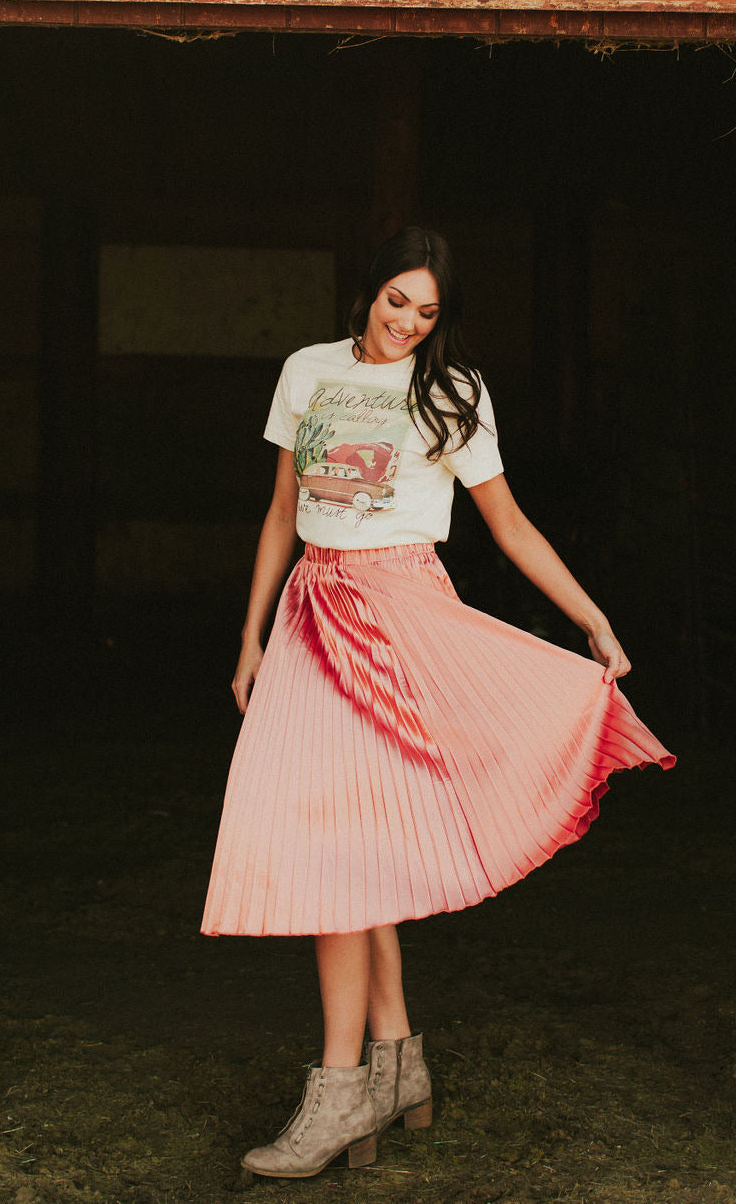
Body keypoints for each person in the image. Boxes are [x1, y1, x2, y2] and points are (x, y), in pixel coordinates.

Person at [201, 226, 674, 1181]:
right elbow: (283, 511)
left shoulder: (453, 392)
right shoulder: (308, 371)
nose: (408, 324)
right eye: (396, 302)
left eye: (427, 312)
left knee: (343, 850)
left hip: (400, 615)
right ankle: (397, 1066)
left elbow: (509, 524)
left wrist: (591, 620)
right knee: (346, 843)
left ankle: (343, 1091)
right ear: (368, 290)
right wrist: (251, 636)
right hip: (310, 614)